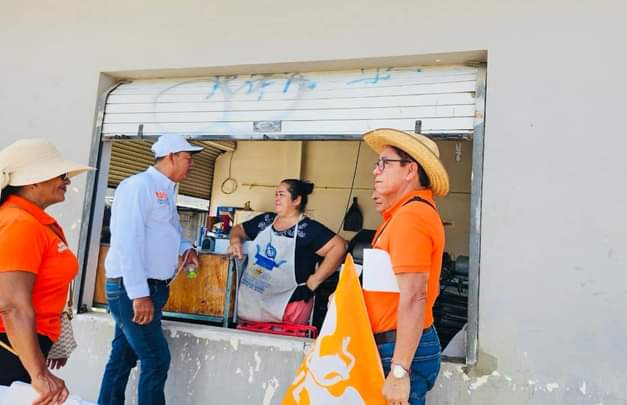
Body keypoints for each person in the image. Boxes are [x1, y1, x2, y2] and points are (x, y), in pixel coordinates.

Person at [97, 134, 202, 405]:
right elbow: (127, 242)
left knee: (123, 356)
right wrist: (139, 294)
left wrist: (184, 248)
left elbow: (169, 231)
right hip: (131, 287)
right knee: (156, 359)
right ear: (171, 157)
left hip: (151, 287)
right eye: (188, 159)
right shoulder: (137, 186)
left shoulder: (166, 189)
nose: (191, 165)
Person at [0, 139, 93, 404]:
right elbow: (11, 305)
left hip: (21, 345)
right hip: (9, 345)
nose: (68, 181)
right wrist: (39, 372)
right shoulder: (19, 223)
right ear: (33, 181)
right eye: (60, 175)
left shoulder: (34, 222)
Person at [361, 128, 449, 405]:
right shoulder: (404, 213)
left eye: (384, 163)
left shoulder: (412, 216)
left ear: (410, 170)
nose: (376, 171)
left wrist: (399, 371)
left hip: (398, 350)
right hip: (391, 345)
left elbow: (415, 296)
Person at [229, 179, 347, 325]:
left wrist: (314, 281)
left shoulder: (308, 229)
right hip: (251, 304)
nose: (276, 198)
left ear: (297, 200)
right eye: (276, 194)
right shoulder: (266, 220)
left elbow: (340, 247)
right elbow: (239, 229)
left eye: (281, 194)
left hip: (289, 306)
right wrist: (235, 241)